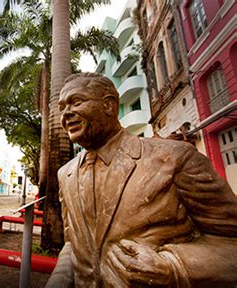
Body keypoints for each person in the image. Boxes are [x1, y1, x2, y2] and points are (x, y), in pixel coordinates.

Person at [46, 72, 237, 287]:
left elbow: (231, 240)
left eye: (76, 102)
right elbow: (73, 244)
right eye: (62, 108)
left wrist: (175, 267)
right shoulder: (65, 173)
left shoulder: (175, 158)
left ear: (109, 105)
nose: (66, 114)